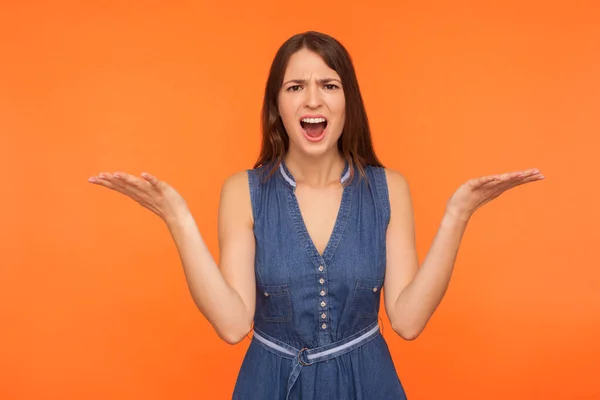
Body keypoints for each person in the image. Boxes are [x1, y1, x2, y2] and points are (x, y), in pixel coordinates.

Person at [88, 31, 544, 399]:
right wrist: (177, 218)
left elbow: (407, 320)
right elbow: (232, 324)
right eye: (295, 87)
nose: (312, 100)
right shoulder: (242, 192)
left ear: (348, 102)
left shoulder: (389, 189)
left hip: (369, 384)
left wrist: (458, 213)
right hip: (269, 385)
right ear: (277, 107)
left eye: (328, 85)